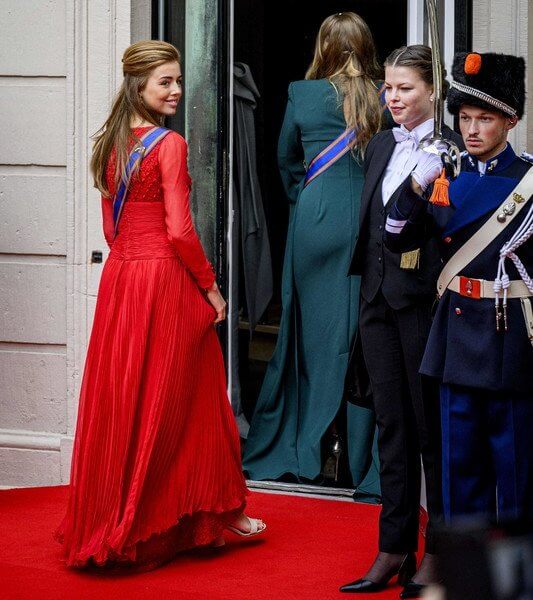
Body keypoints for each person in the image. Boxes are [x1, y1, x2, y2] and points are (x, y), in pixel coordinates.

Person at [55, 40, 265, 569]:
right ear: (139, 87)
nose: (175, 90)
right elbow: (179, 229)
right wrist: (211, 287)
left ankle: (133, 513)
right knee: (193, 395)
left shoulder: (108, 143)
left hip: (122, 279)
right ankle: (212, 507)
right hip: (164, 279)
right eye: (165, 82)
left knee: (128, 396)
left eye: (176, 80)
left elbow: (110, 226)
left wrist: (132, 256)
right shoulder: (167, 145)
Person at [384, 52, 533, 527]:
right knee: (459, 474)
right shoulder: (443, 175)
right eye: (464, 118)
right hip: (454, 335)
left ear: (509, 120)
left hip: (507, 337)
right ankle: (468, 581)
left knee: (516, 478)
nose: (471, 130)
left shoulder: (528, 181)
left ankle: (516, 583)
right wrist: (415, 183)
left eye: (484, 119)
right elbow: (395, 236)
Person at [243, 12, 383, 494]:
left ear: (322, 46)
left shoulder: (302, 94)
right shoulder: (384, 95)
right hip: (366, 219)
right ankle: (358, 455)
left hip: (316, 216)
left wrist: (307, 199)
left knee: (308, 336)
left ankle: (307, 448)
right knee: (362, 337)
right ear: (365, 47)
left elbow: (284, 160)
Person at [341, 46, 463, 597]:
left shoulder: (453, 149)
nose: (393, 98)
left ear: (432, 91)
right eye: (388, 88)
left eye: (405, 88)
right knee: (391, 428)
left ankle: (440, 554)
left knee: (431, 432)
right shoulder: (385, 142)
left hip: (426, 307)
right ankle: (393, 548)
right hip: (376, 302)